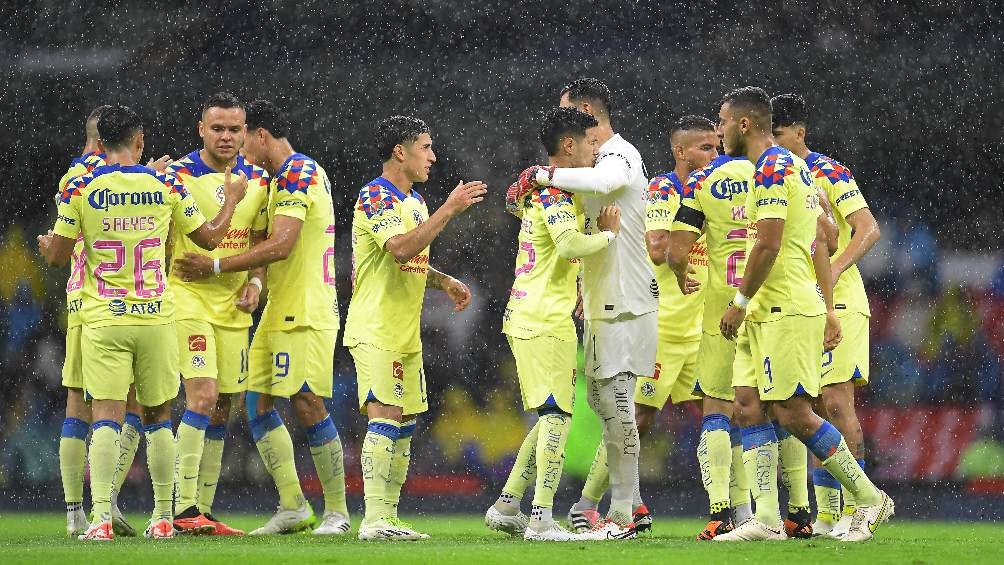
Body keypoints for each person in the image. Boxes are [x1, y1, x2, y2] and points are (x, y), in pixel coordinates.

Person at [39, 104, 246, 541]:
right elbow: (210, 238)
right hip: (155, 316)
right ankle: (163, 516)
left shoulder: (81, 186)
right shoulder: (166, 182)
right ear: (139, 141)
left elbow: (58, 256)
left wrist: (46, 246)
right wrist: (230, 201)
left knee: (105, 416)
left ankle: (98, 519)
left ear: (100, 144)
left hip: (105, 318)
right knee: (158, 417)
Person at [709, 86, 892, 542]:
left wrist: (739, 302)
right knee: (747, 405)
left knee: (795, 413)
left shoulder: (775, 168)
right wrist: (827, 307)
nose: (719, 131)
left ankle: (869, 498)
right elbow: (820, 241)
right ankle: (767, 519)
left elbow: (770, 244)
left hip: (784, 307)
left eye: (723, 122)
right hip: (766, 308)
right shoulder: (788, 169)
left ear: (744, 124)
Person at [174, 99, 350, 536]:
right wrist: (255, 281)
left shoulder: (297, 173)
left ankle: (337, 512)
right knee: (256, 402)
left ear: (261, 135)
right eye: (220, 129)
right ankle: (293, 505)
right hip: (277, 308)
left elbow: (281, 245)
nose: (236, 144)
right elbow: (261, 239)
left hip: (305, 307)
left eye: (242, 134)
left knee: (306, 400)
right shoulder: (277, 179)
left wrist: (217, 266)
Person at [509, 78, 656, 537]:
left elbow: (603, 184)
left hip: (624, 298)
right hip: (602, 297)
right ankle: (613, 506)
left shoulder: (617, 155)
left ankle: (624, 509)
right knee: (604, 402)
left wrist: (541, 175)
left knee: (615, 403)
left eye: (571, 112)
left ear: (589, 114)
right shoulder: (585, 167)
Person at [571, 115, 716, 535]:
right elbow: (657, 248)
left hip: (702, 327)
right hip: (664, 325)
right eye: (705, 147)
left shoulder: (715, 190)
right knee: (634, 418)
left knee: (724, 414)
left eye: (716, 146)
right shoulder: (663, 189)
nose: (714, 154)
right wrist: (691, 239)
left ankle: (730, 512)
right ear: (680, 151)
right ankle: (589, 504)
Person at [343, 115, 485, 540]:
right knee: (384, 415)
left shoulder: (416, 202)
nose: (433, 156)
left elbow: (414, 258)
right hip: (376, 326)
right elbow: (401, 249)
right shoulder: (375, 196)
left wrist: (443, 280)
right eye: (425, 147)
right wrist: (450, 208)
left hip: (405, 332)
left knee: (403, 422)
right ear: (400, 152)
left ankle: (388, 517)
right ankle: (373, 519)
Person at [486, 107, 621, 541]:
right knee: (557, 416)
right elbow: (568, 245)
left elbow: (519, 208)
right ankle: (542, 518)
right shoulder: (555, 194)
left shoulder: (549, 191)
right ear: (568, 146)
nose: (596, 151)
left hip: (535, 312)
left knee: (550, 414)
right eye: (590, 143)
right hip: (542, 318)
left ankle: (508, 504)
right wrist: (609, 235)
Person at [771, 93, 881, 538]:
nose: (774, 141)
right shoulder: (772, 175)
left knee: (836, 402)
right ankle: (830, 516)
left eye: (780, 133)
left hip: (841, 301)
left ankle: (861, 507)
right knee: (811, 407)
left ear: (800, 132)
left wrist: (833, 271)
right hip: (802, 303)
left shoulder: (828, 171)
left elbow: (868, 229)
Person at [165, 92, 270, 536]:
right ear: (201, 130)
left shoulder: (260, 180)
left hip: (232, 306)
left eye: (233, 129)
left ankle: (202, 512)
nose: (226, 136)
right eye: (217, 128)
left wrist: (256, 284)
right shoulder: (177, 176)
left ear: (245, 132)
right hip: (187, 298)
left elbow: (260, 241)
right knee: (202, 397)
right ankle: (180, 507)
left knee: (224, 406)